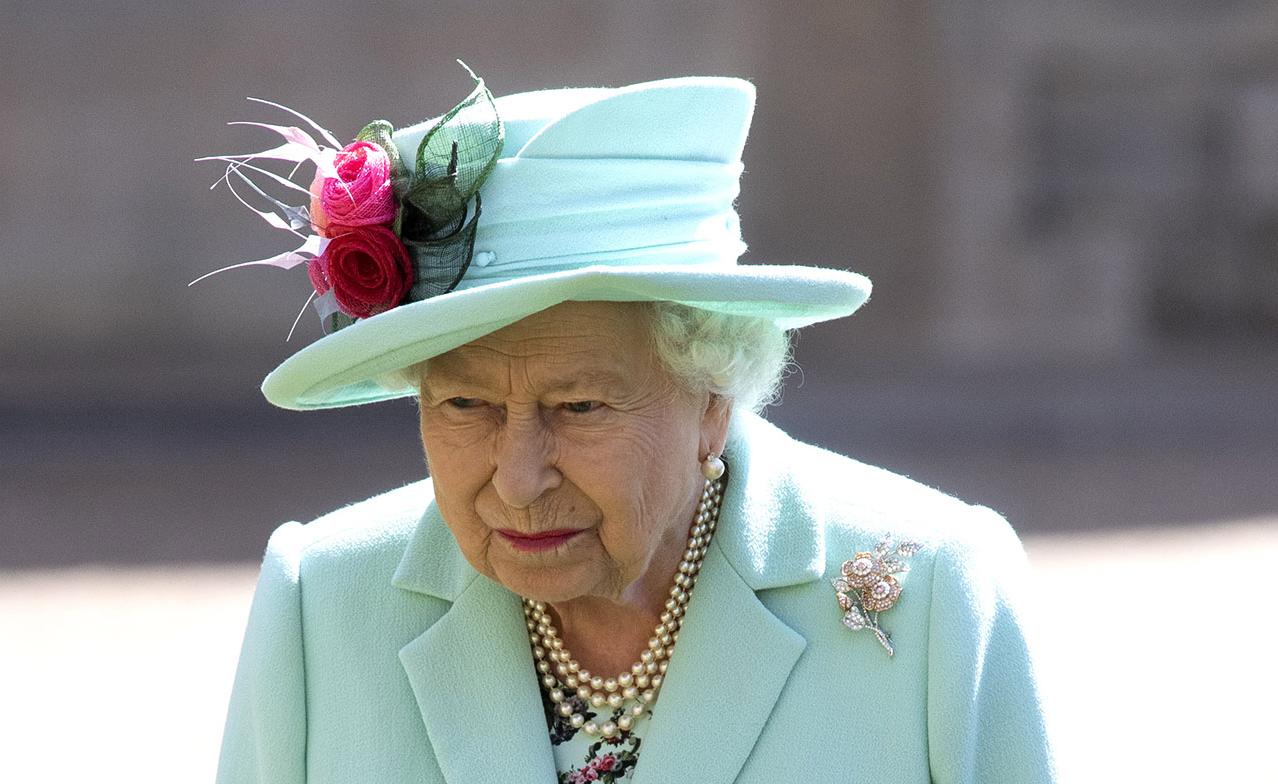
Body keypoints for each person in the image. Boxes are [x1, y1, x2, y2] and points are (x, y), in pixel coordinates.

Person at [204, 72, 1057, 783]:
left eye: (579, 407)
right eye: (466, 404)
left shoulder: (936, 600)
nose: (518, 476)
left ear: (712, 398)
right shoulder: (321, 605)